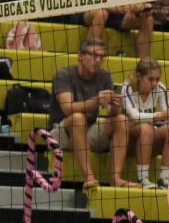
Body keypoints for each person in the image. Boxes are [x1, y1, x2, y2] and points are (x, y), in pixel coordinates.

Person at [52, 38, 129, 193]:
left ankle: (116, 178)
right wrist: (96, 101)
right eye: (94, 55)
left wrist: (115, 107)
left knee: (122, 120)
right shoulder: (64, 74)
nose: (98, 60)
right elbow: (67, 108)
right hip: (60, 132)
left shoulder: (104, 76)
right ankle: (89, 177)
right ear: (80, 56)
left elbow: (110, 114)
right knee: (78, 118)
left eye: (101, 57)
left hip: (87, 130)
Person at [119, 56, 169, 188]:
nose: (154, 83)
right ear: (139, 76)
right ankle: (142, 178)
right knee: (146, 128)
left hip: (148, 139)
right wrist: (160, 115)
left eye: (157, 79)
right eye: (151, 79)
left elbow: (167, 115)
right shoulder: (128, 88)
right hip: (126, 139)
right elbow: (134, 116)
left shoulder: (160, 88)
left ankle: (165, 179)